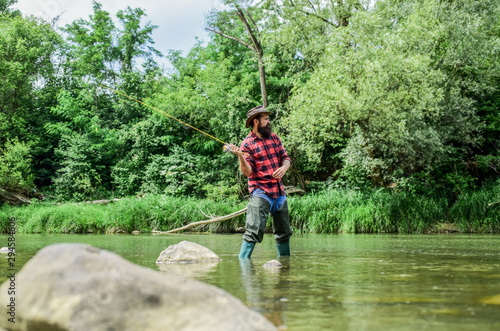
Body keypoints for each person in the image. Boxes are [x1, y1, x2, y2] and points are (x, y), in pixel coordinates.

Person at [228, 105, 292, 259]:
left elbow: (286, 158)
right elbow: (248, 172)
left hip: (279, 192)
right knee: (253, 231)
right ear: (256, 122)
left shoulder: (274, 138)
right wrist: (240, 156)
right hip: (261, 192)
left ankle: (284, 268)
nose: (269, 121)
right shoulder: (247, 144)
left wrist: (284, 168)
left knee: (284, 233)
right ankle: (244, 267)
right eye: (266, 119)